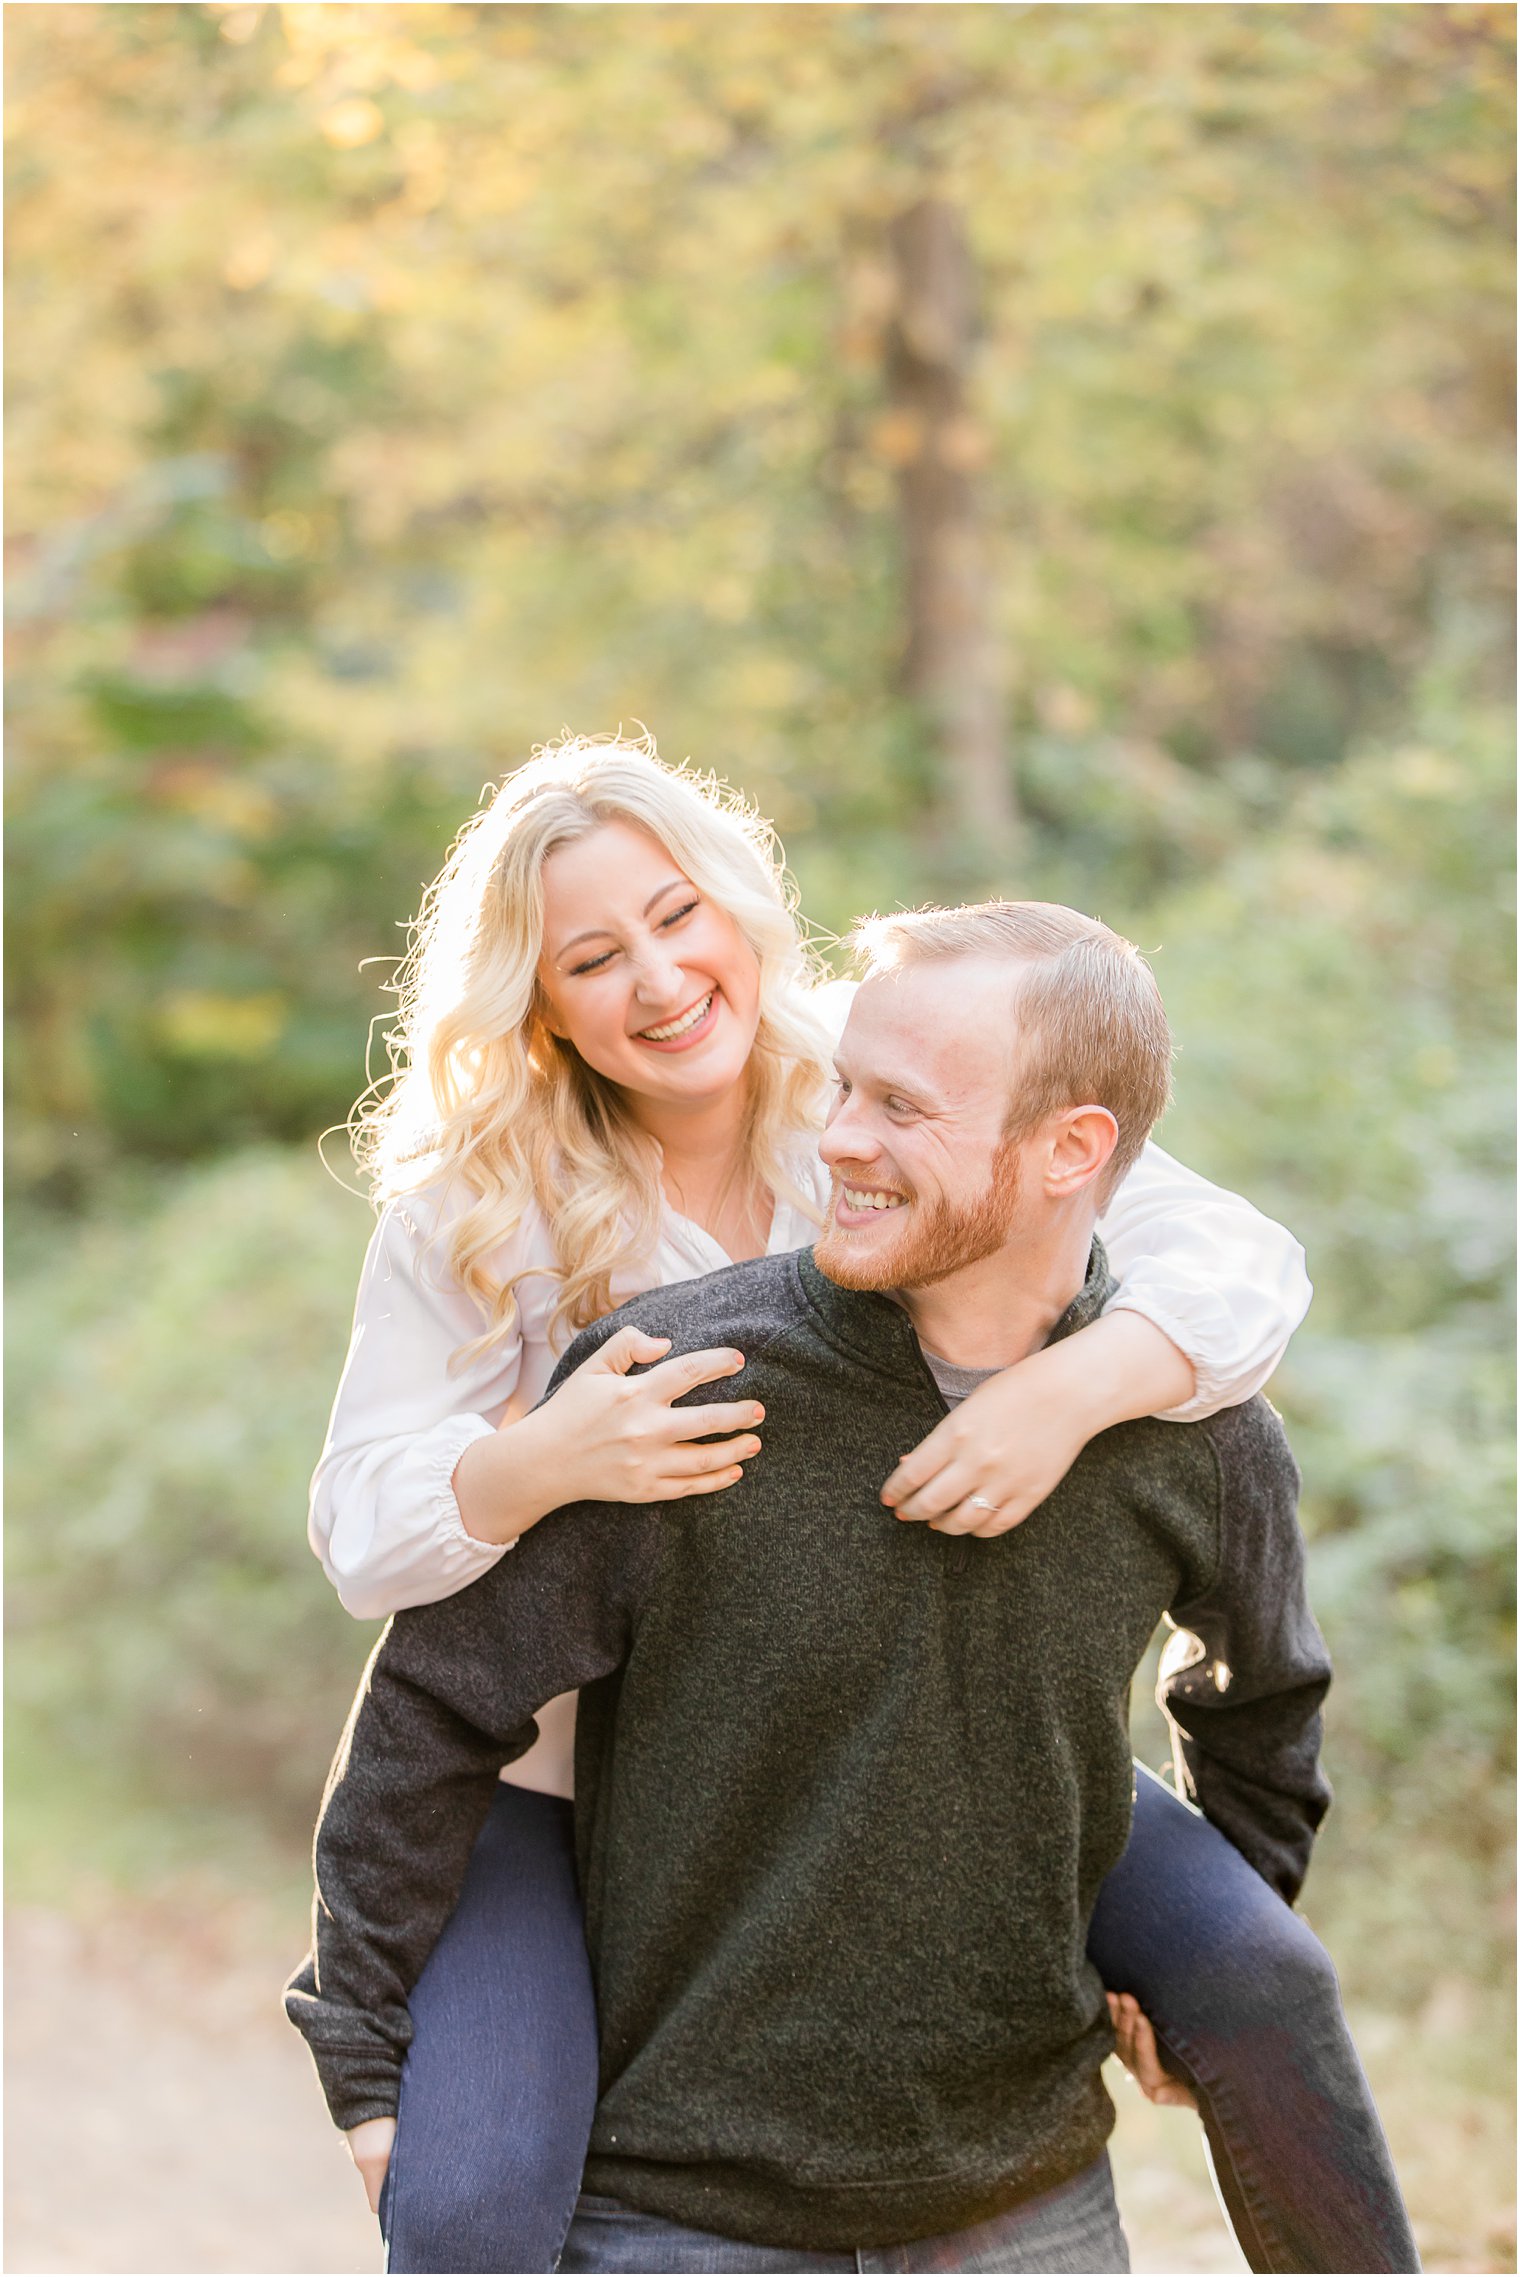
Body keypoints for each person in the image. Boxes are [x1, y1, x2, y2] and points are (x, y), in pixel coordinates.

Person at [305, 737, 1417, 2274]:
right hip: (564, 1767)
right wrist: (549, 1455)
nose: (659, 976)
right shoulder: (479, 1204)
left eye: (677, 914)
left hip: (901, 1729)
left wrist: (1067, 1390)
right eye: (593, 956)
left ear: (741, 908)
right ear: (541, 1001)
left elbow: (1226, 1260)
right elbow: (367, 1541)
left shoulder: (876, 1076)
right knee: (473, 2205)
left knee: (1264, 1979)